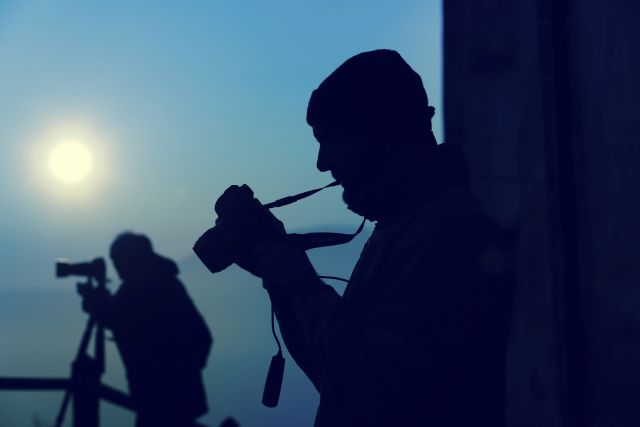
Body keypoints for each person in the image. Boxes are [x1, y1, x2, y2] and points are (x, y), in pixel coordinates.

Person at [221, 49, 514, 426]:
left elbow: (379, 401)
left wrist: (305, 288)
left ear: (382, 133)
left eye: (329, 140)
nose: (321, 163)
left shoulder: (449, 232)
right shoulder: (404, 223)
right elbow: (335, 380)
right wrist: (281, 283)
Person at [80, 232, 212, 427]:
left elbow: (119, 316)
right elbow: (201, 337)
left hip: (160, 401)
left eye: (117, 259)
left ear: (130, 258)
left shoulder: (143, 285)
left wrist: (95, 302)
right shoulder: (163, 281)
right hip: (179, 399)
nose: (116, 266)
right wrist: (186, 373)